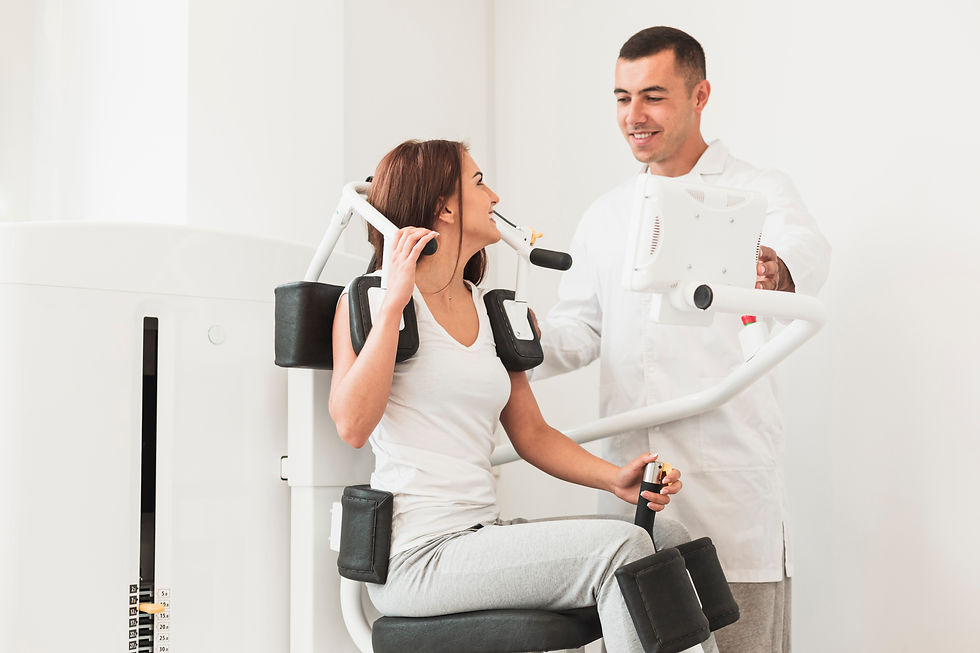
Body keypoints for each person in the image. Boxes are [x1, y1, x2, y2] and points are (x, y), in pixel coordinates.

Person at [328, 139, 703, 653]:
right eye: (479, 182)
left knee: (672, 542)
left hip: (481, 535)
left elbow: (532, 433)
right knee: (623, 548)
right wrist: (395, 301)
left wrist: (615, 479)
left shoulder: (492, 312)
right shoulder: (370, 299)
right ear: (445, 206)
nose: (495, 195)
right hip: (418, 555)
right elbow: (351, 425)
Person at [533, 27, 832, 653]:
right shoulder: (606, 215)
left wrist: (773, 269)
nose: (633, 117)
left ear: (700, 96)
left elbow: (802, 253)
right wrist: (506, 341)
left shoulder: (758, 191)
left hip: (727, 485)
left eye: (653, 97)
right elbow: (580, 330)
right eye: (621, 98)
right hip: (629, 487)